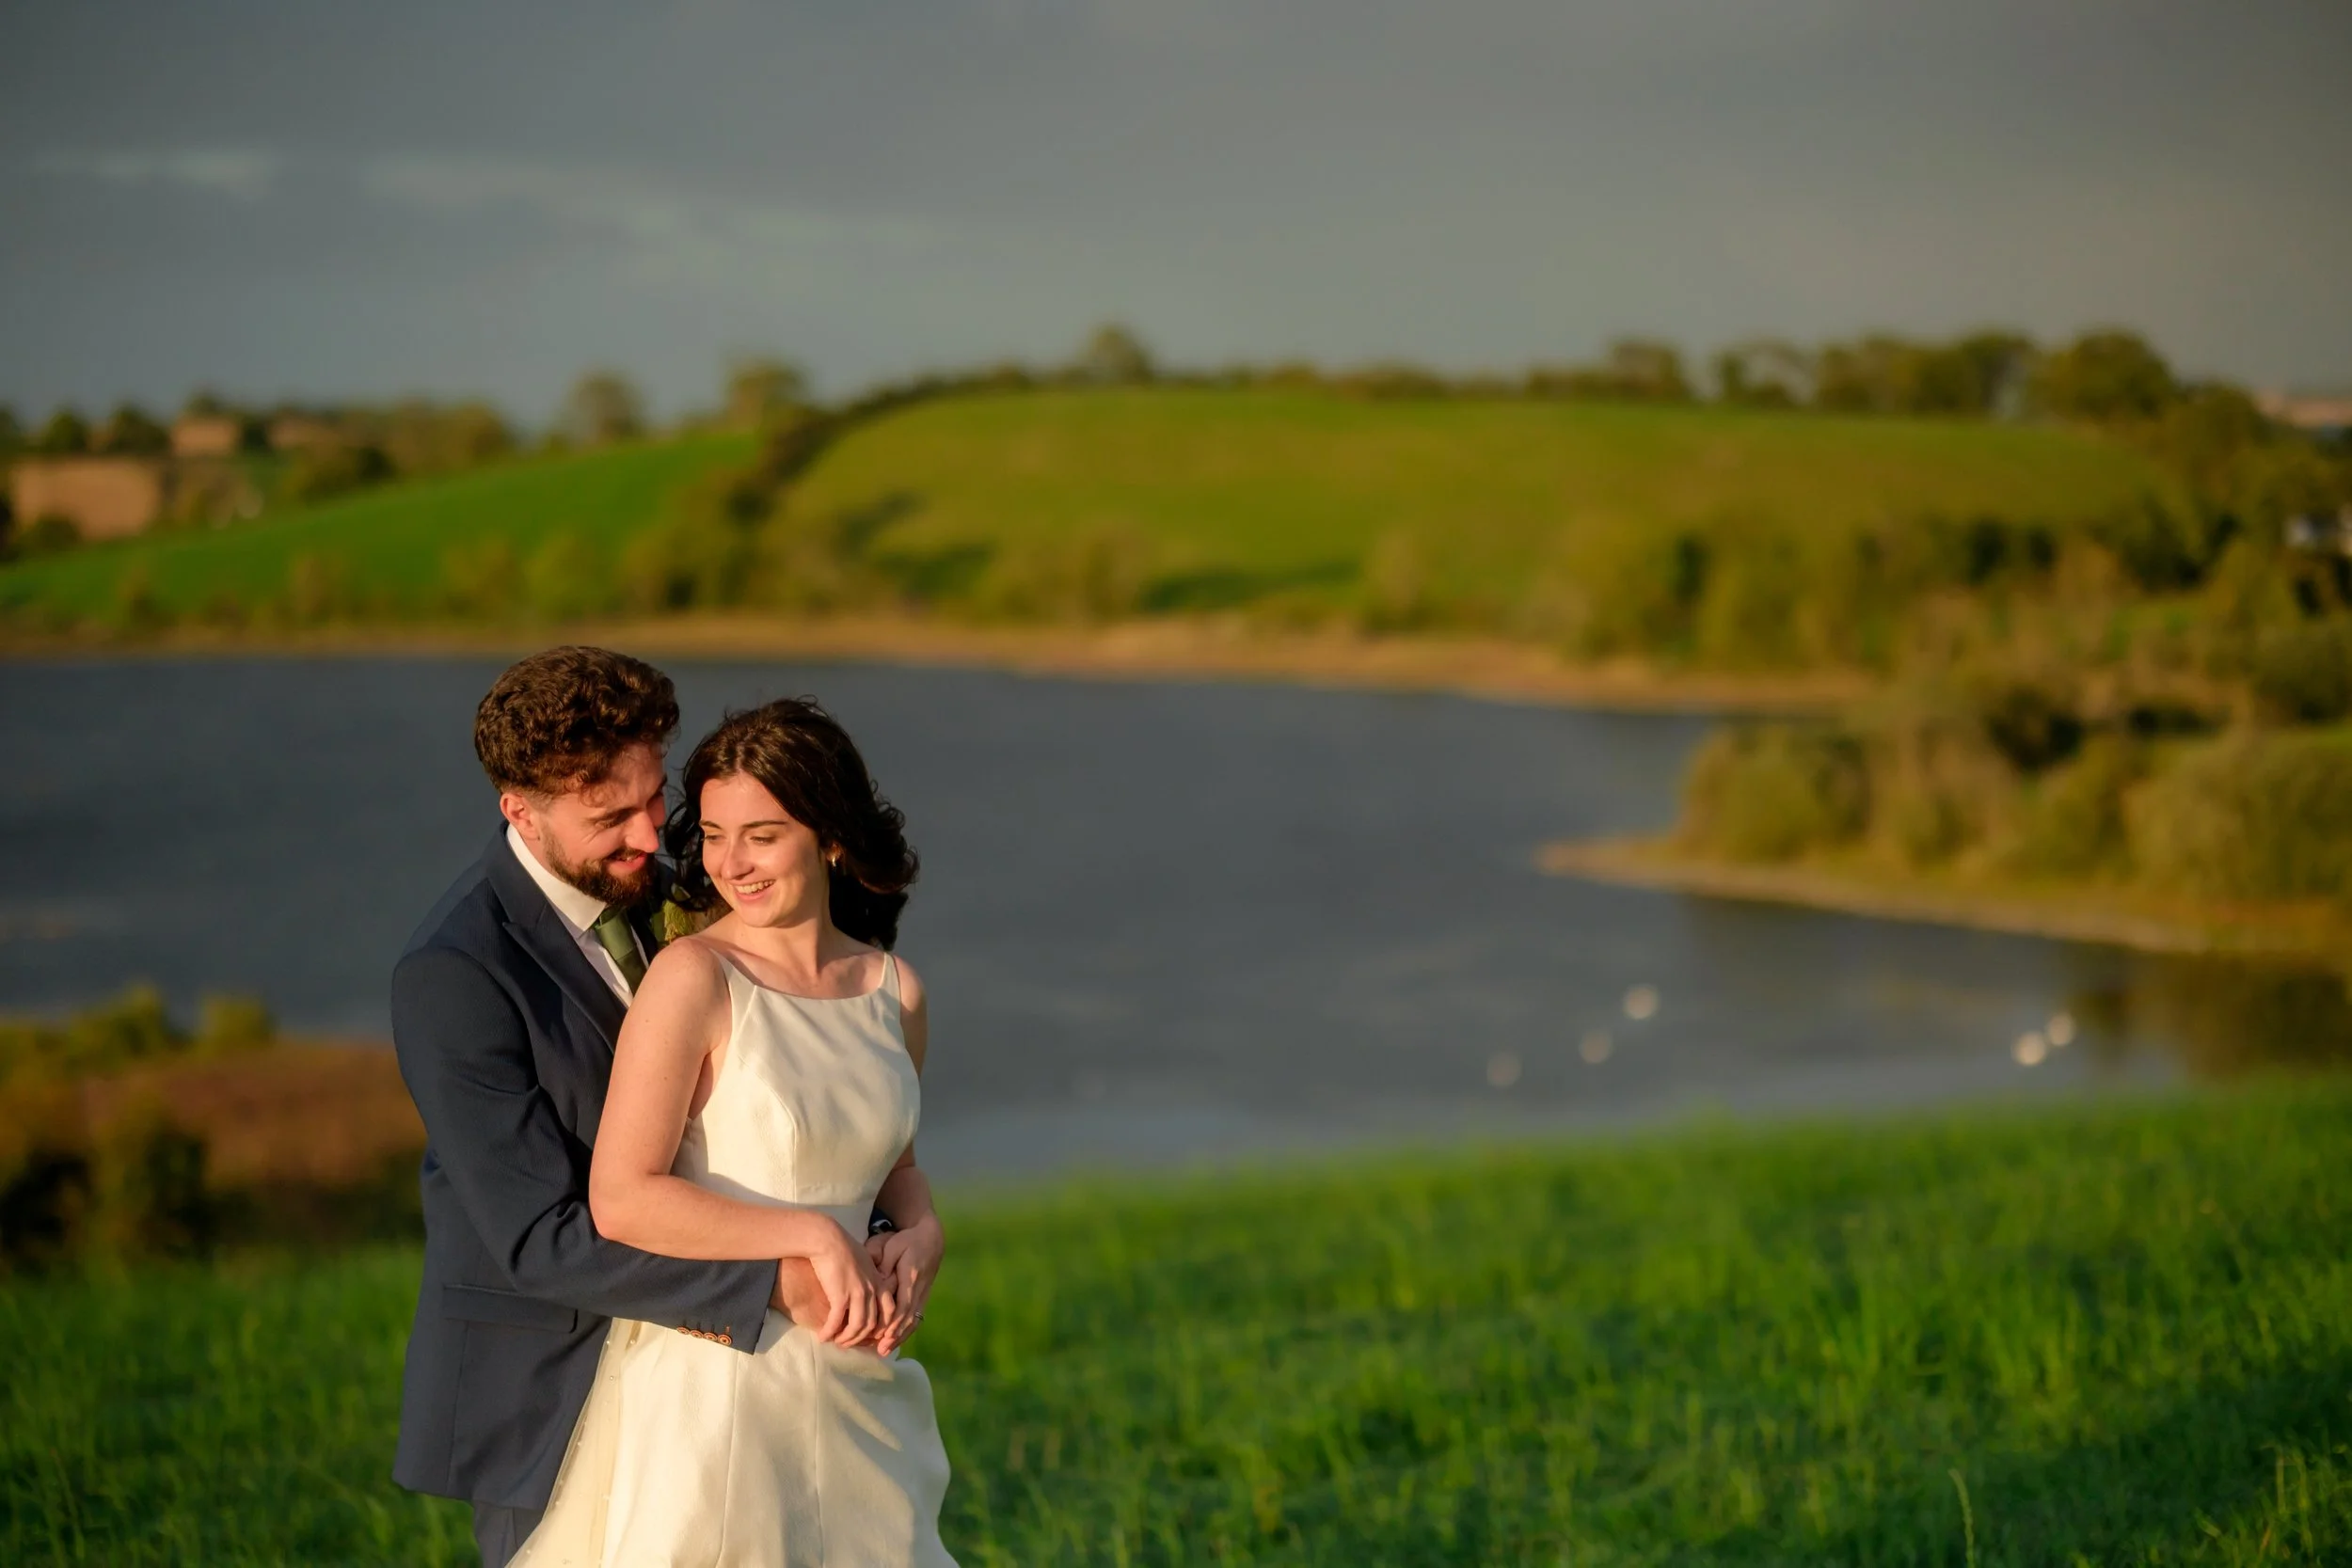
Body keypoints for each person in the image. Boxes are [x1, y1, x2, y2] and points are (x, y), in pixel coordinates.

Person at [389, 648, 940, 1566]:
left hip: (805, 1368)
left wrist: (905, 1229)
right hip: (553, 1381)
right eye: (612, 816)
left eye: (655, 799)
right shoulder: (454, 973)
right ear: (520, 808)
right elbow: (541, 1236)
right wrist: (779, 1274)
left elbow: (799, 1111)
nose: (656, 837)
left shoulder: (685, 882)